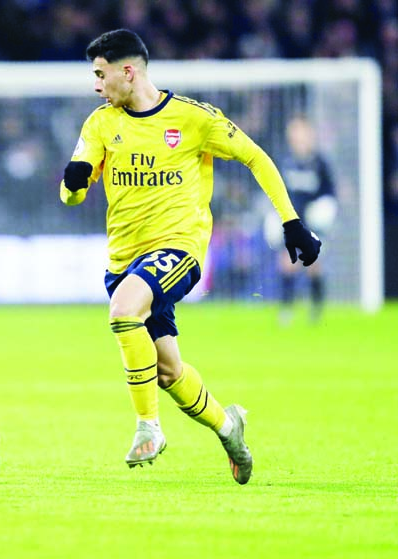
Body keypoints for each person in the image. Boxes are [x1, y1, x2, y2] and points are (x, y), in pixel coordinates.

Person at [59, 29, 321, 484]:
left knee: (123, 312)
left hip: (179, 248)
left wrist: (291, 221)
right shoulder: (99, 124)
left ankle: (149, 427)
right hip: (124, 260)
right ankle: (228, 426)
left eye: (101, 74)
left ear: (128, 71)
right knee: (167, 370)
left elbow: (255, 157)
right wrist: (74, 180)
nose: (96, 84)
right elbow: (71, 197)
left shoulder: (193, 118)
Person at [270, 115, 337, 325]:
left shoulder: (319, 163)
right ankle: (286, 310)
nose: (297, 136)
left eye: (301, 131)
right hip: (290, 218)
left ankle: (316, 309)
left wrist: (325, 209)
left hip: (313, 221)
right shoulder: (285, 161)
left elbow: (330, 192)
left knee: (313, 264)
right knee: (287, 262)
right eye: (294, 131)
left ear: (310, 134)